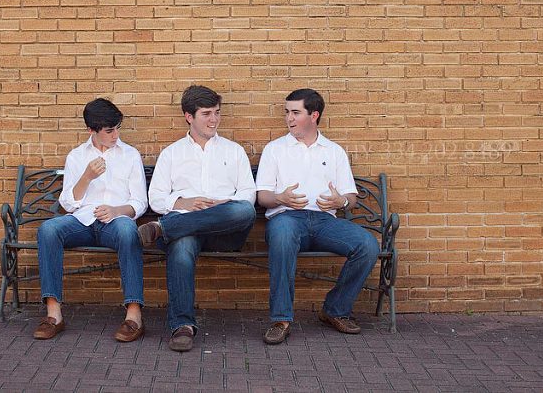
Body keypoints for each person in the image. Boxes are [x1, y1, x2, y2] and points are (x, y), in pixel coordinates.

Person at [256, 88, 379, 344]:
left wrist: (341, 201)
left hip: (325, 222)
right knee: (281, 236)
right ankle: (281, 318)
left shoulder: (333, 151)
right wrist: (280, 198)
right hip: (287, 219)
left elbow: (350, 198)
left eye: (295, 113)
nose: (289, 118)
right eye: (286, 112)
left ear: (314, 115)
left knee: (367, 245)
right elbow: (262, 197)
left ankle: (335, 309)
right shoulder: (275, 149)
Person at [139, 85, 256, 352]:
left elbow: (248, 195)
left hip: (225, 231)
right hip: (187, 231)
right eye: (206, 114)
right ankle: (182, 326)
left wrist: (222, 204)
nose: (214, 119)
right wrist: (184, 203)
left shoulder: (233, 151)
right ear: (188, 116)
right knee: (180, 248)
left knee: (244, 210)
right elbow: (155, 197)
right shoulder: (172, 153)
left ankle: (162, 228)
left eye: (216, 113)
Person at [33, 98, 148, 342]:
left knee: (128, 230)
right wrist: (86, 177)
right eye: (109, 130)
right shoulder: (76, 156)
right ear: (91, 130)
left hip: (115, 223)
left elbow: (140, 202)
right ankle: (54, 314)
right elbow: (68, 203)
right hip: (82, 221)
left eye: (118, 128)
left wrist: (117, 210)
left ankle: (134, 315)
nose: (116, 134)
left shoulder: (130, 155)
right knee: (48, 229)